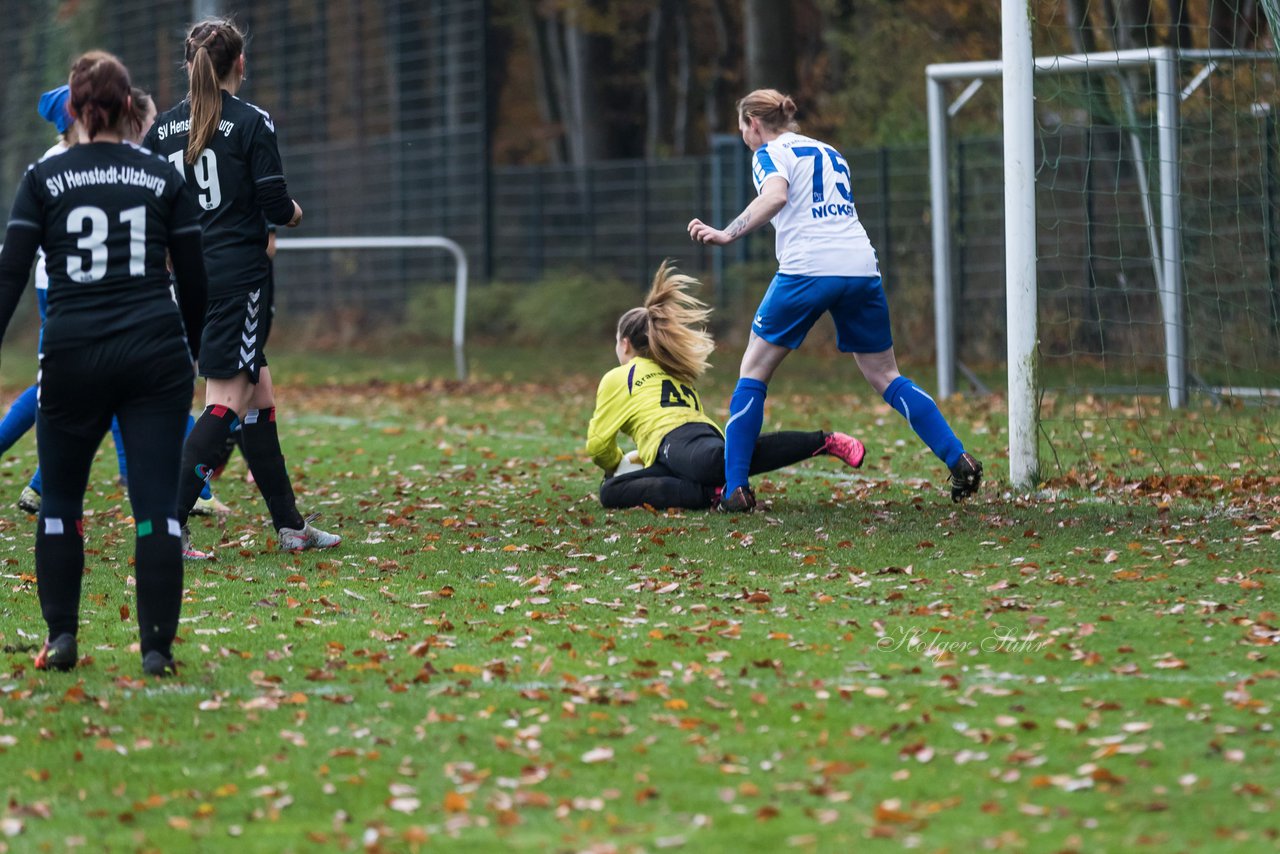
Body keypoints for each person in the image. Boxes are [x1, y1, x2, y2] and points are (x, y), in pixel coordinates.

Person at [0, 51, 209, 675]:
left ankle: (62, 638)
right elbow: (196, 282)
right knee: (154, 509)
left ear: (75, 108)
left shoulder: (44, 176)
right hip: (154, 354)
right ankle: (156, 650)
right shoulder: (163, 176)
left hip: (72, 353)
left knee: (61, 501)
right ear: (127, 107)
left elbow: (10, 276)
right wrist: (191, 353)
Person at [688, 89, 983, 511]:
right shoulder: (829, 151)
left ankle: (735, 489)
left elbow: (775, 197)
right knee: (886, 375)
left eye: (741, 128)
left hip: (808, 268)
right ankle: (960, 459)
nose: (743, 137)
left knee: (753, 369)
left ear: (754, 123)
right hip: (861, 266)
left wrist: (725, 233)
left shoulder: (769, 152)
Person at [143, 17, 339, 556]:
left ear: (189, 66)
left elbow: (153, 209)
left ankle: (290, 526)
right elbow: (277, 205)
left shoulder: (161, 131)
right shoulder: (253, 122)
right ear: (240, 64)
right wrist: (295, 213)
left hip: (189, 281)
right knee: (227, 402)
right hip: (238, 279)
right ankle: (169, 526)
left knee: (260, 399)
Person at [6, 87, 227, 518]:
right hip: (75, 288)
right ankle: (164, 486)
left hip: (90, 286)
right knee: (107, 379)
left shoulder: (103, 160)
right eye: (145, 123)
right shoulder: (70, 165)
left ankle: (42, 485)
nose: (149, 130)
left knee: (78, 382)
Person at [587, 261, 867, 510]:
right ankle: (713, 494)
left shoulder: (618, 377)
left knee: (716, 463)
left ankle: (824, 442)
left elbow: (598, 445)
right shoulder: (672, 370)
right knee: (611, 491)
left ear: (624, 343)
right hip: (677, 448)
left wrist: (616, 461)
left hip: (679, 441)